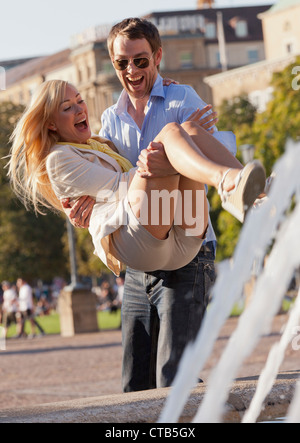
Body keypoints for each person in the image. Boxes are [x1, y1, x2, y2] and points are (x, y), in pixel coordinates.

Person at [8, 62, 265, 392]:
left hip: (183, 239)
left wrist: (176, 145)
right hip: (138, 241)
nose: (79, 108)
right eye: (67, 107)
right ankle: (226, 182)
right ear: (51, 125)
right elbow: (119, 186)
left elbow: (123, 181)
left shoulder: (104, 141)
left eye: (80, 100)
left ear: (157, 58)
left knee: (185, 132)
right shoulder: (60, 157)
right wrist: (157, 157)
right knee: (173, 135)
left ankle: (248, 193)